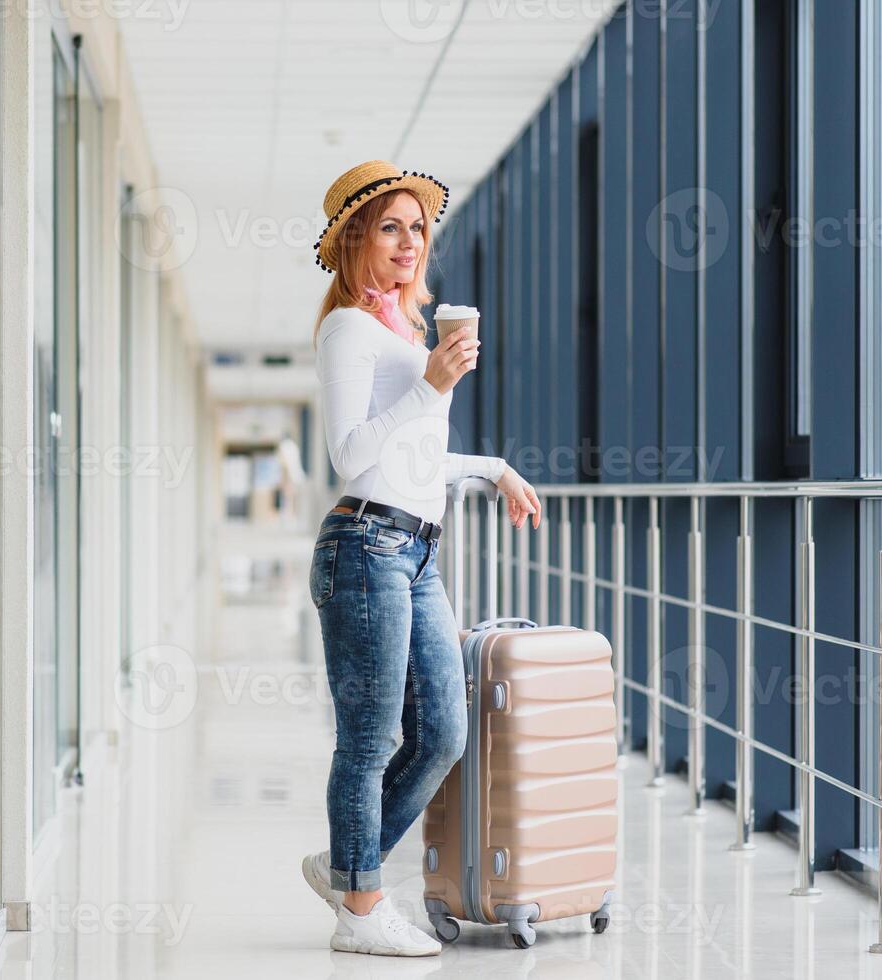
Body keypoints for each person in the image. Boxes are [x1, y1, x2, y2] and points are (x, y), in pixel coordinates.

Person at [299, 160, 542, 956]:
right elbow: (348, 454)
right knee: (370, 739)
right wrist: (432, 387)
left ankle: (348, 861)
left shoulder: (405, 332)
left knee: (443, 733)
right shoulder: (349, 330)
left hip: (415, 550)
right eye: (390, 227)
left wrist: (491, 467)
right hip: (365, 546)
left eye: (418, 228)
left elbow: (408, 463)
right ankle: (360, 909)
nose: (410, 243)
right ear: (354, 241)